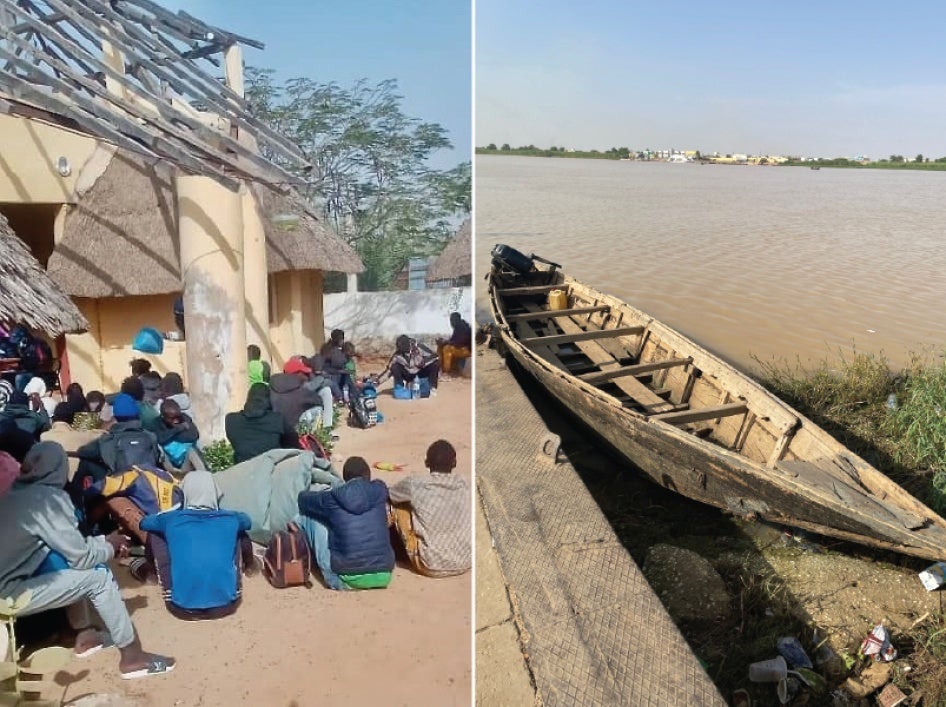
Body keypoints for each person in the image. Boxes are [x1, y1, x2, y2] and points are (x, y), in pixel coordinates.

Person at [0, 442, 175, 678]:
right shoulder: (50, 499)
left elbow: (70, 545)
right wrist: (111, 548)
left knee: (72, 561)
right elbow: (82, 557)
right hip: (7, 595)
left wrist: (105, 541)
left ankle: (83, 636)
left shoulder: (14, 496)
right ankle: (133, 657)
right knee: (98, 579)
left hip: (10, 580)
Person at [140, 471, 254, 620]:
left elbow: (144, 523)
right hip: (227, 605)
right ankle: (250, 567)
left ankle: (152, 574)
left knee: (155, 533)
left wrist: (174, 509)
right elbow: (247, 521)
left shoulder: (170, 519)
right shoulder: (231, 518)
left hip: (181, 609)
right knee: (239, 532)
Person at [296, 456, 395, 590]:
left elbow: (303, 500)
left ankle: (301, 557)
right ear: (368, 475)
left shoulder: (333, 498)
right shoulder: (380, 490)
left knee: (309, 518)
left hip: (348, 579)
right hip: (384, 576)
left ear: (344, 478)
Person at [388, 440, 471, 577]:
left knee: (399, 506)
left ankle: (392, 548)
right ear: (454, 463)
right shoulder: (463, 483)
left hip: (430, 564)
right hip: (465, 561)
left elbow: (391, 494)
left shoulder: (415, 483)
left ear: (426, 463)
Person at [225, 383, 299, 464]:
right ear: (268, 399)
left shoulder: (230, 420)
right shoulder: (277, 419)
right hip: (271, 468)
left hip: (242, 469)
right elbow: (294, 441)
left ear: (248, 398)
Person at [40, 402, 104, 481]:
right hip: (74, 483)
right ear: (74, 420)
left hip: (49, 482)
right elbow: (105, 434)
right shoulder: (82, 436)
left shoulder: (44, 436)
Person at [269, 357, 333, 430]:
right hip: (294, 426)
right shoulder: (299, 388)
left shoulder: (273, 384)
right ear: (298, 374)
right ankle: (325, 429)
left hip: (278, 423)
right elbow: (317, 401)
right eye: (304, 373)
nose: (306, 375)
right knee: (319, 408)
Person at [375, 335, 440, 395]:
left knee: (435, 364)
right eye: (400, 348)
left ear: (409, 344)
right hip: (408, 375)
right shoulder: (397, 355)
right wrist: (377, 382)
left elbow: (435, 356)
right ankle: (399, 387)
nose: (404, 350)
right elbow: (388, 371)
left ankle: (431, 387)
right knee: (394, 367)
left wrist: (424, 362)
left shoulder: (419, 347)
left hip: (420, 372)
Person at [148, 399, 201, 472]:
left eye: (177, 417)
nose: (176, 420)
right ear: (163, 416)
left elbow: (194, 435)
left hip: (185, 459)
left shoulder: (184, 417)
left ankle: (206, 475)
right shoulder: (156, 423)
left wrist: (170, 435)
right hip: (168, 462)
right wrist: (178, 429)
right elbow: (160, 439)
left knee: (193, 451)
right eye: (172, 418)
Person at [437, 312, 473, 376]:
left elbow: (459, 342)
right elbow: (454, 340)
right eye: (450, 320)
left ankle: (446, 371)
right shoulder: (459, 326)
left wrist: (445, 342)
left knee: (447, 348)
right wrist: (444, 341)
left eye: (452, 320)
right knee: (444, 346)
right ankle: (447, 368)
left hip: (467, 350)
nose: (451, 322)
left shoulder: (462, 327)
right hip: (464, 349)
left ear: (457, 319)